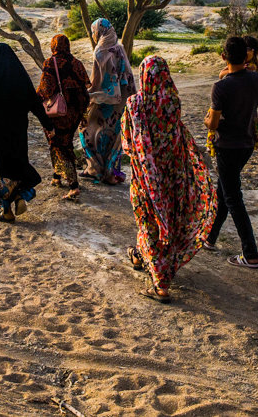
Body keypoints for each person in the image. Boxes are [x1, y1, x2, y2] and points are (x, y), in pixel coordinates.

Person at [122, 55, 217, 304]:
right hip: (173, 173)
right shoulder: (173, 101)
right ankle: (143, 257)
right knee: (167, 219)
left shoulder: (135, 104)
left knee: (150, 221)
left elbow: (128, 142)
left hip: (146, 176)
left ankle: (161, 285)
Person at [0, 43, 53, 222]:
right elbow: (34, 101)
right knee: (16, 163)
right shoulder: (19, 76)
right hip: (17, 129)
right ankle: (18, 196)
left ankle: (6, 210)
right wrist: (48, 125)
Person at [204, 37, 258, 269]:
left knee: (232, 198)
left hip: (227, 146)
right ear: (247, 56)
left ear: (223, 56)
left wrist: (206, 119)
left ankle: (251, 253)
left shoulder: (221, 87)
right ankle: (210, 237)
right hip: (246, 144)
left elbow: (213, 123)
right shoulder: (255, 79)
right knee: (225, 191)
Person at [79, 18, 136, 185]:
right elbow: (128, 77)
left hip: (103, 100)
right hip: (120, 103)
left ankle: (94, 169)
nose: (93, 34)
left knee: (85, 130)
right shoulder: (119, 49)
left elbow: (96, 83)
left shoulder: (100, 51)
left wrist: (85, 93)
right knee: (114, 136)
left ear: (99, 32)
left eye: (93, 31)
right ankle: (111, 173)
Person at [37, 34, 91, 201]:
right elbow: (85, 89)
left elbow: (45, 90)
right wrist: (82, 114)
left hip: (58, 113)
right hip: (74, 113)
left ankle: (73, 186)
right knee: (64, 142)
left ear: (54, 46)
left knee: (58, 144)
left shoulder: (50, 63)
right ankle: (56, 176)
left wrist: (33, 102)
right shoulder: (77, 63)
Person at [211, 34, 258, 154]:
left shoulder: (251, 68)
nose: (246, 51)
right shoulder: (255, 76)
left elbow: (222, 75)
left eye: (249, 49)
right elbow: (222, 74)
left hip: (229, 139)